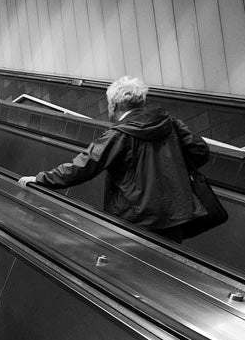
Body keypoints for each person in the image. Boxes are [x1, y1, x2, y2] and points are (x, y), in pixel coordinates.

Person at [17, 76, 210, 242]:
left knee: (136, 270)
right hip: (175, 214)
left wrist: (42, 178)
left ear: (114, 105)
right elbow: (200, 150)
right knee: (169, 267)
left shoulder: (119, 134)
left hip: (137, 219)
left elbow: (85, 165)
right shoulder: (170, 123)